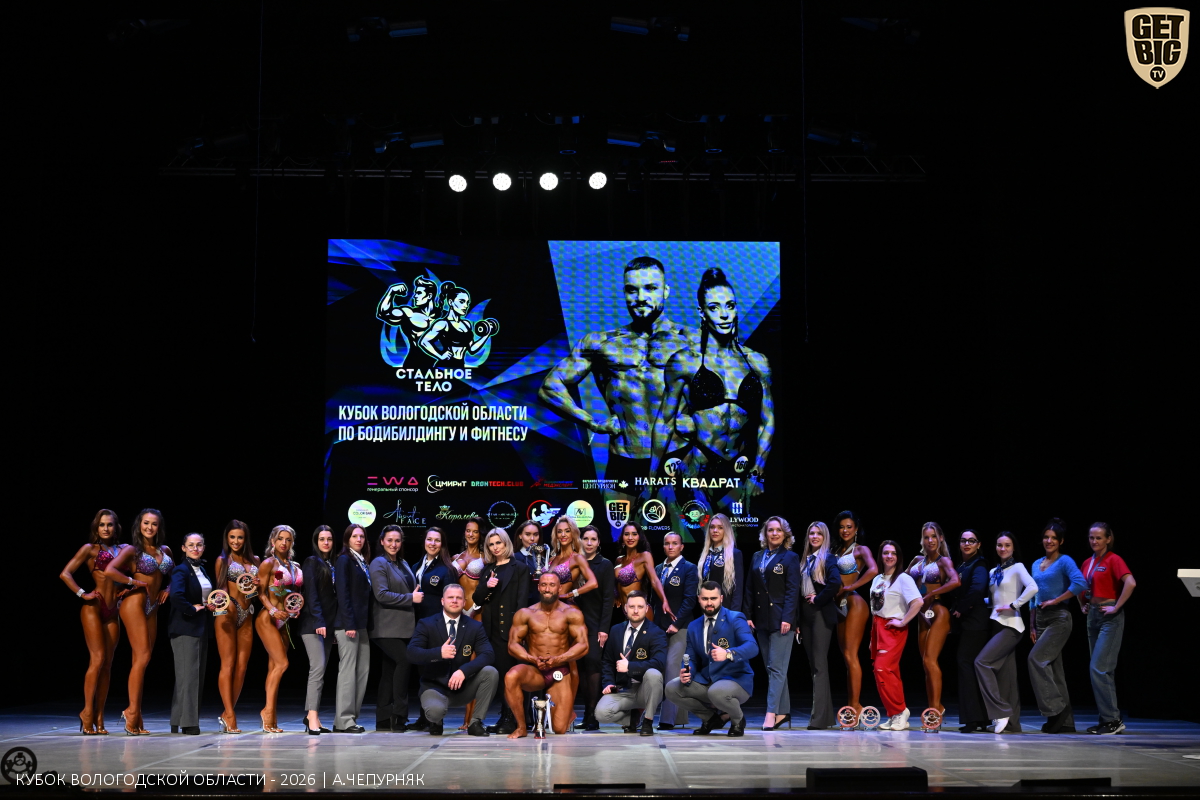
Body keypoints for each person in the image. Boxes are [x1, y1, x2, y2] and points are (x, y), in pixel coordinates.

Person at [539, 256, 698, 502]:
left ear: (665, 291)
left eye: (651, 288)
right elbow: (550, 388)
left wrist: (700, 421)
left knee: (691, 526)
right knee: (621, 528)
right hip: (625, 461)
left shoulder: (694, 342)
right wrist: (592, 422)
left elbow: (737, 396)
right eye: (632, 290)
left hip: (678, 458)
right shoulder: (602, 343)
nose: (641, 297)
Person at [650, 267, 774, 513]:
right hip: (698, 470)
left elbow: (767, 421)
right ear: (702, 312)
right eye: (715, 308)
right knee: (706, 531)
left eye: (730, 306)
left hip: (738, 469)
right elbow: (664, 422)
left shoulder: (757, 362)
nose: (724, 314)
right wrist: (651, 478)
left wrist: (758, 471)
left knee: (734, 534)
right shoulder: (685, 362)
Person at [104, 508, 173, 735]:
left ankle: (137, 716)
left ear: (159, 527)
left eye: (154, 524)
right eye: (146, 523)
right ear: (139, 525)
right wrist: (132, 582)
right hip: (135, 602)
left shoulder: (165, 550)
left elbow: (176, 575)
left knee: (142, 661)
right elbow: (110, 570)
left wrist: (168, 589)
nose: (149, 527)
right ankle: (131, 711)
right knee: (143, 656)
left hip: (153, 607)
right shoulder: (132, 550)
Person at [60, 509, 126, 735]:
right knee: (97, 660)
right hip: (94, 607)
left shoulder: (123, 550)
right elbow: (65, 573)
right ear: (96, 528)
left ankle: (99, 715)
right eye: (102, 525)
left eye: (110, 524)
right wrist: (82, 593)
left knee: (107, 664)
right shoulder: (89, 549)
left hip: (113, 611)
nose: (106, 528)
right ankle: (87, 711)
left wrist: (126, 591)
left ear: (116, 527)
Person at [664, 581, 758, 737]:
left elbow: (752, 647)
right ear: (699, 599)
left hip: (736, 680)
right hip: (708, 681)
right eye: (705, 599)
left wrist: (728, 653)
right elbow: (691, 657)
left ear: (721, 598)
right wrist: (687, 671)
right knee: (672, 688)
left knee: (717, 692)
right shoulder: (694, 626)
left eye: (713, 598)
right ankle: (711, 719)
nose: (709, 603)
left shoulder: (735, 618)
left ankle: (738, 720)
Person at [502, 571, 590, 738]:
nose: (547, 589)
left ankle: (566, 711)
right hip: (535, 669)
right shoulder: (525, 613)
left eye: (551, 585)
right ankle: (521, 727)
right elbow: (512, 645)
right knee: (511, 676)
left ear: (559, 588)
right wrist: (531, 659)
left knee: (559, 729)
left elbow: (583, 645)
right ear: (538, 587)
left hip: (560, 671)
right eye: (543, 585)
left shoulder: (571, 613)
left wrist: (559, 659)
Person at [407, 583, 497, 736]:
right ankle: (436, 721)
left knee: (490, 672)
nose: (454, 601)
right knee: (435, 712)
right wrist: (438, 653)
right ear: (442, 601)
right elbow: (411, 653)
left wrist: (463, 671)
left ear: (464, 602)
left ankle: (475, 722)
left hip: (463, 688)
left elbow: (488, 654)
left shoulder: (474, 626)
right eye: (450, 597)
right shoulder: (427, 624)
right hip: (434, 687)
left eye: (458, 598)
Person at [974, 532, 1037, 734]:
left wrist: (1014, 604)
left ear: (1013, 547)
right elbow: (994, 600)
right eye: (999, 545)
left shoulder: (1017, 567)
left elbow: (1033, 587)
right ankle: (1012, 724)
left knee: (981, 662)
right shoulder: (994, 571)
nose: (1003, 548)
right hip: (997, 624)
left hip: (1012, 626)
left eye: (1007, 545)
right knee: (1007, 679)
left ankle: (1000, 711)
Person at [1028, 517, 1086, 734]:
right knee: (1054, 669)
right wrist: (1032, 625)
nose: (1049, 541)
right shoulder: (1036, 564)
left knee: (1035, 659)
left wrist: (1056, 600)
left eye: (1053, 538)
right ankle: (1067, 721)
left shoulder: (1065, 561)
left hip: (1059, 618)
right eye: (1046, 537)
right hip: (1040, 619)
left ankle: (1056, 711)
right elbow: (1033, 595)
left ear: (1061, 541)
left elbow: (1080, 583)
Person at [476, 529, 536, 734]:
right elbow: (477, 599)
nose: (495, 547)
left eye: (498, 543)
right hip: (491, 631)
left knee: (512, 675)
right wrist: (487, 586)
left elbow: (522, 602)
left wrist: (519, 632)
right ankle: (505, 716)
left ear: (506, 543)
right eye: (491, 544)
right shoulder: (487, 569)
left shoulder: (519, 567)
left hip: (511, 630)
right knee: (501, 676)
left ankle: (515, 718)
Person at [745, 516, 801, 730]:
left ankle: (771, 714)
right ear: (765, 533)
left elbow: (792, 591)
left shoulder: (790, 557)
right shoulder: (757, 556)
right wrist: (748, 614)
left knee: (777, 668)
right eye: (770, 530)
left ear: (785, 534)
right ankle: (783, 712)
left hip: (781, 619)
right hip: (761, 619)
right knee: (772, 668)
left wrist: (788, 618)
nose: (774, 533)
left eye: (778, 530)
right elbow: (750, 587)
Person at [1079, 522, 1135, 735]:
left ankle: (1113, 719)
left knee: (1099, 668)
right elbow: (1081, 587)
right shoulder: (1088, 562)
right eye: (1091, 537)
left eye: (1099, 537)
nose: (1094, 541)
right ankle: (1107, 719)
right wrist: (1083, 604)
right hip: (1092, 616)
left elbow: (1131, 583)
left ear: (1108, 539)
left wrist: (1116, 606)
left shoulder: (1114, 559)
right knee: (1100, 671)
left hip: (1109, 617)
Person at [905, 522, 960, 724]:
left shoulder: (944, 561)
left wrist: (932, 593)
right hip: (921, 614)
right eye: (926, 537)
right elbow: (902, 580)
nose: (930, 540)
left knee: (930, 660)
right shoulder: (917, 560)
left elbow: (955, 581)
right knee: (926, 664)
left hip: (938, 611)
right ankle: (935, 707)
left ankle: (935, 710)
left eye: (934, 536)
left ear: (941, 538)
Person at [868, 540, 924, 731]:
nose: (889, 556)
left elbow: (917, 602)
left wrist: (903, 621)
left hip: (893, 629)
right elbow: (875, 609)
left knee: (883, 669)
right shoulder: (877, 579)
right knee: (886, 671)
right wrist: (872, 638)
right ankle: (894, 714)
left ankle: (900, 711)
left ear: (898, 557)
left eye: (893, 553)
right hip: (878, 628)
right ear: (881, 556)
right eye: (886, 553)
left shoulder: (903, 579)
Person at [370, 524, 421, 732]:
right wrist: (411, 598)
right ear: (382, 541)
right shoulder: (379, 563)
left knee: (389, 670)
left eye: (397, 540)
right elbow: (381, 594)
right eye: (390, 540)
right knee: (404, 660)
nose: (394, 544)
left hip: (403, 626)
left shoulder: (402, 562)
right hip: (385, 626)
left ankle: (383, 719)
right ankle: (399, 715)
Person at [595, 591, 667, 735]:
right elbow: (607, 661)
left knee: (653, 673)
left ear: (646, 609)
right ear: (625, 608)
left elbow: (659, 663)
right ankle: (633, 719)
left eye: (640, 607)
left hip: (646, 690)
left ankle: (648, 720)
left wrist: (629, 667)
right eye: (632, 606)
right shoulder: (616, 630)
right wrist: (608, 683)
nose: (635, 611)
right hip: (624, 690)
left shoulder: (656, 632)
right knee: (601, 714)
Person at [212, 520, 259, 734]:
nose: (236, 541)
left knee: (242, 667)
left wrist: (258, 586)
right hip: (228, 611)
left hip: (247, 613)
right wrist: (220, 603)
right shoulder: (223, 560)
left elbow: (256, 593)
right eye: (232, 537)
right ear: (227, 538)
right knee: (228, 665)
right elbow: (221, 588)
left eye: (240, 537)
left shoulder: (255, 560)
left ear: (245, 538)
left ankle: (227, 712)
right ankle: (230, 714)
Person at [168, 533, 217, 735]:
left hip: (200, 627)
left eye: (199, 545)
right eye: (191, 545)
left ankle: (177, 720)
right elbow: (176, 595)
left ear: (203, 547)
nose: (195, 548)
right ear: (183, 547)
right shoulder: (181, 570)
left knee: (191, 675)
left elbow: (203, 596)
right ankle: (188, 723)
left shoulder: (201, 570)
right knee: (189, 677)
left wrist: (208, 605)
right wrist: (191, 609)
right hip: (185, 628)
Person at [256, 525, 303, 733]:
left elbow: (294, 594)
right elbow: (260, 592)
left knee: (274, 667)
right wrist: (273, 610)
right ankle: (267, 712)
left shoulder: (294, 565)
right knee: (282, 663)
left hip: (285, 620)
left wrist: (295, 609)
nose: (284, 543)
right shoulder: (268, 563)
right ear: (272, 541)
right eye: (280, 539)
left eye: (288, 539)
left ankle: (271, 716)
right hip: (268, 618)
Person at [831, 510, 877, 717]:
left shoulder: (860, 549)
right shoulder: (835, 550)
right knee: (846, 657)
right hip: (838, 604)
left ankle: (855, 706)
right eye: (842, 527)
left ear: (856, 529)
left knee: (851, 655)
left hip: (854, 602)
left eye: (849, 527)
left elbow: (873, 569)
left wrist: (851, 587)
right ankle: (853, 704)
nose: (845, 530)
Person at [651, 531, 698, 729]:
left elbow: (690, 600)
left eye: (675, 543)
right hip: (659, 627)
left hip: (681, 627)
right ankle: (679, 717)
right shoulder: (658, 568)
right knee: (661, 668)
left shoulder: (689, 568)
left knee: (672, 668)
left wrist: (676, 623)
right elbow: (654, 600)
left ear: (681, 547)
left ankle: (667, 719)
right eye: (667, 543)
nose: (670, 547)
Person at [797, 521, 842, 729]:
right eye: (812, 533)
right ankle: (824, 717)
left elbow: (835, 583)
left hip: (821, 613)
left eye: (819, 534)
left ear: (825, 537)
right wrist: (798, 621)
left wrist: (819, 599)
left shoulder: (828, 558)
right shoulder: (805, 560)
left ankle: (819, 719)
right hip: (806, 614)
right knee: (813, 664)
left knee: (819, 665)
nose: (815, 536)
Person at [576, 525, 616, 730]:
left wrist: (604, 629)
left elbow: (609, 599)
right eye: (586, 538)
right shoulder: (575, 561)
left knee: (593, 666)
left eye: (593, 539)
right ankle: (586, 714)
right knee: (581, 669)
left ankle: (593, 715)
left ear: (599, 542)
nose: (589, 543)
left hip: (595, 624)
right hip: (575, 625)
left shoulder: (605, 564)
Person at [333, 524, 372, 733]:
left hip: (361, 625)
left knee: (362, 672)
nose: (358, 539)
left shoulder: (362, 561)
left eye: (362, 536)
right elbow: (343, 593)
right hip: (348, 624)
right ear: (347, 539)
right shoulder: (344, 560)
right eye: (355, 536)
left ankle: (352, 718)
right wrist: (349, 623)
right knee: (348, 672)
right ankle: (343, 721)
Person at [299, 525, 338, 735]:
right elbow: (312, 594)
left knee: (321, 671)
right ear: (316, 541)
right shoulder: (311, 562)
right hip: (313, 624)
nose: (326, 542)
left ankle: (313, 715)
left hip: (328, 626)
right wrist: (319, 621)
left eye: (329, 539)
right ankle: (312, 715)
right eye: (322, 539)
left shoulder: (331, 563)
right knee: (317, 668)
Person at [952, 529, 991, 733]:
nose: (967, 544)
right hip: (967, 623)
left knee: (966, 663)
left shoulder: (979, 564)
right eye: (963, 540)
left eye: (971, 541)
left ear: (978, 544)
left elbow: (977, 589)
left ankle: (974, 718)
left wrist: (961, 608)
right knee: (969, 666)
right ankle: (980, 718)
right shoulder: (962, 565)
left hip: (976, 623)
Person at [418, 282, 496, 368]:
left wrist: (486, 335)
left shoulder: (467, 324)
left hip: (460, 366)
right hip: (445, 366)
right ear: (451, 302)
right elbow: (424, 341)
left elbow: (472, 349)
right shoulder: (443, 324)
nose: (465, 306)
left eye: (467, 303)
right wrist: (440, 355)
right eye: (462, 302)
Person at [376, 276, 439, 367]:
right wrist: (391, 291)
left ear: (429, 296)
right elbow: (383, 313)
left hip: (441, 365)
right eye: (415, 293)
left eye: (419, 293)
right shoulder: (409, 313)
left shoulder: (444, 315)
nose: (415, 296)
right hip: (414, 363)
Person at [613, 522, 669, 619]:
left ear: (639, 537)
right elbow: (618, 584)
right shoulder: (619, 560)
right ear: (622, 537)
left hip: (641, 611)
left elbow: (654, 580)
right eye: (627, 534)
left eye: (634, 534)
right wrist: (616, 595)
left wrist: (664, 600)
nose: (630, 537)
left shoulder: (644, 556)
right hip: (626, 612)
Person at [696, 514, 744, 613]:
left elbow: (738, 589)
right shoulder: (705, 555)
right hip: (706, 610)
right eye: (712, 527)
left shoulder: (734, 554)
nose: (715, 531)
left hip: (726, 610)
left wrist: (734, 615)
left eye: (720, 528)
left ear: (726, 530)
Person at [546, 516, 599, 605]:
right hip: (546, 605)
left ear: (573, 533)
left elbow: (593, 583)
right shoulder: (552, 559)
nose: (563, 534)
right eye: (559, 531)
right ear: (556, 535)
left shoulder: (577, 558)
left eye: (567, 531)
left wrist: (570, 594)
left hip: (563, 606)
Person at [413, 527, 455, 621]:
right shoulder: (415, 567)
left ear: (442, 544)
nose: (433, 543)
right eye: (429, 539)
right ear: (424, 542)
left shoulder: (448, 570)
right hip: (415, 620)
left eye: (437, 540)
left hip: (436, 621)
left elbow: (451, 602)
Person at [452, 518, 486, 618]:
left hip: (477, 607)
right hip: (457, 606)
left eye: (475, 531)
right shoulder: (455, 558)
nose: (471, 534)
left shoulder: (485, 558)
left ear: (480, 534)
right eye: (468, 531)